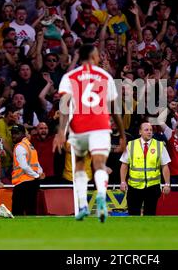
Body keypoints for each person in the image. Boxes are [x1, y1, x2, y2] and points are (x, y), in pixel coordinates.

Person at [53, 44, 126, 222]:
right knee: (99, 164)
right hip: (101, 125)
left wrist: (61, 131)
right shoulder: (105, 76)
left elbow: (64, 106)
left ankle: (83, 204)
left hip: (79, 126)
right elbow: (114, 110)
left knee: (79, 165)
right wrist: (123, 135)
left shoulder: (70, 76)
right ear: (93, 56)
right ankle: (101, 194)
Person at [119, 122, 171, 216]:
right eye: (146, 130)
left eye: (151, 130)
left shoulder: (159, 145)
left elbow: (165, 166)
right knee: (133, 215)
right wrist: (123, 181)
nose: (149, 132)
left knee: (150, 215)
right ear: (140, 132)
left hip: (152, 187)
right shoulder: (131, 145)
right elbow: (124, 164)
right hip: (134, 187)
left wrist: (167, 184)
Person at [11, 124, 44, 216]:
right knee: (31, 211)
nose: (13, 135)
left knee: (17, 212)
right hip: (33, 183)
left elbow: (24, 166)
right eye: (12, 133)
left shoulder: (20, 147)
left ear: (23, 134)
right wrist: (39, 173)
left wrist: (36, 175)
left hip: (23, 183)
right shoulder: (30, 146)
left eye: (16, 133)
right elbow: (37, 164)